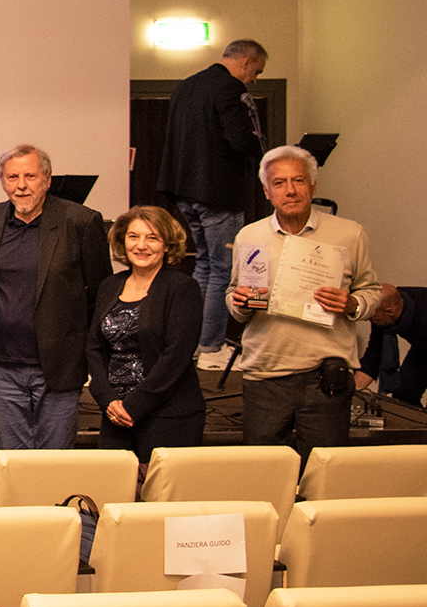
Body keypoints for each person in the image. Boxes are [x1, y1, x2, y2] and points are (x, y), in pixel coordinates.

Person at [227, 146, 380, 457]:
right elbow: (234, 297)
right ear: (267, 192)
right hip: (265, 375)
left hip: (325, 378)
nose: (290, 190)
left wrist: (351, 304)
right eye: (279, 183)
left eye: (298, 180)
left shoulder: (349, 234)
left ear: (313, 186)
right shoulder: (249, 236)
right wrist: (239, 302)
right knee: (265, 470)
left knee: (323, 471)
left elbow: (372, 293)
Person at [0, 145, 112, 450]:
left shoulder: (81, 222)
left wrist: (90, 354)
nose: (21, 185)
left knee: (55, 460)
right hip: (2, 365)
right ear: (2, 181)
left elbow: (101, 295)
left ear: (47, 179)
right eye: (12, 177)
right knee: (13, 459)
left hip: (59, 366)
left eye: (30, 176)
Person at [155, 40, 270, 365]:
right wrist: (266, 154)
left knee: (204, 265)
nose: (254, 80)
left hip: (185, 189)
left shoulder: (186, 86)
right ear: (246, 62)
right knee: (223, 268)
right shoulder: (230, 89)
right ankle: (211, 346)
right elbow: (238, 139)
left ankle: (195, 343)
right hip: (218, 192)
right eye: (257, 71)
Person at [85, 207, 206, 464]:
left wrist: (133, 406)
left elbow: (176, 356)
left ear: (167, 245)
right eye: (133, 236)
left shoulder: (182, 288)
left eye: (152, 238)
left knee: (161, 490)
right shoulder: (109, 286)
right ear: (122, 241)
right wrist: (108, 401)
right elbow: (94, 348)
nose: (141, 245)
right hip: (115, 415)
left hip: (168, 416)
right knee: (114, 486)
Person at [362, 284, 424, 404]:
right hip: (420, 346)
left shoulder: (422, 313)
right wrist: (353, 390)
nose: (367, 319)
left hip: (424, 338)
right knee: (403, 394)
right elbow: (375, 353)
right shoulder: (382, 309)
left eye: (372, 317)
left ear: (391, 311)